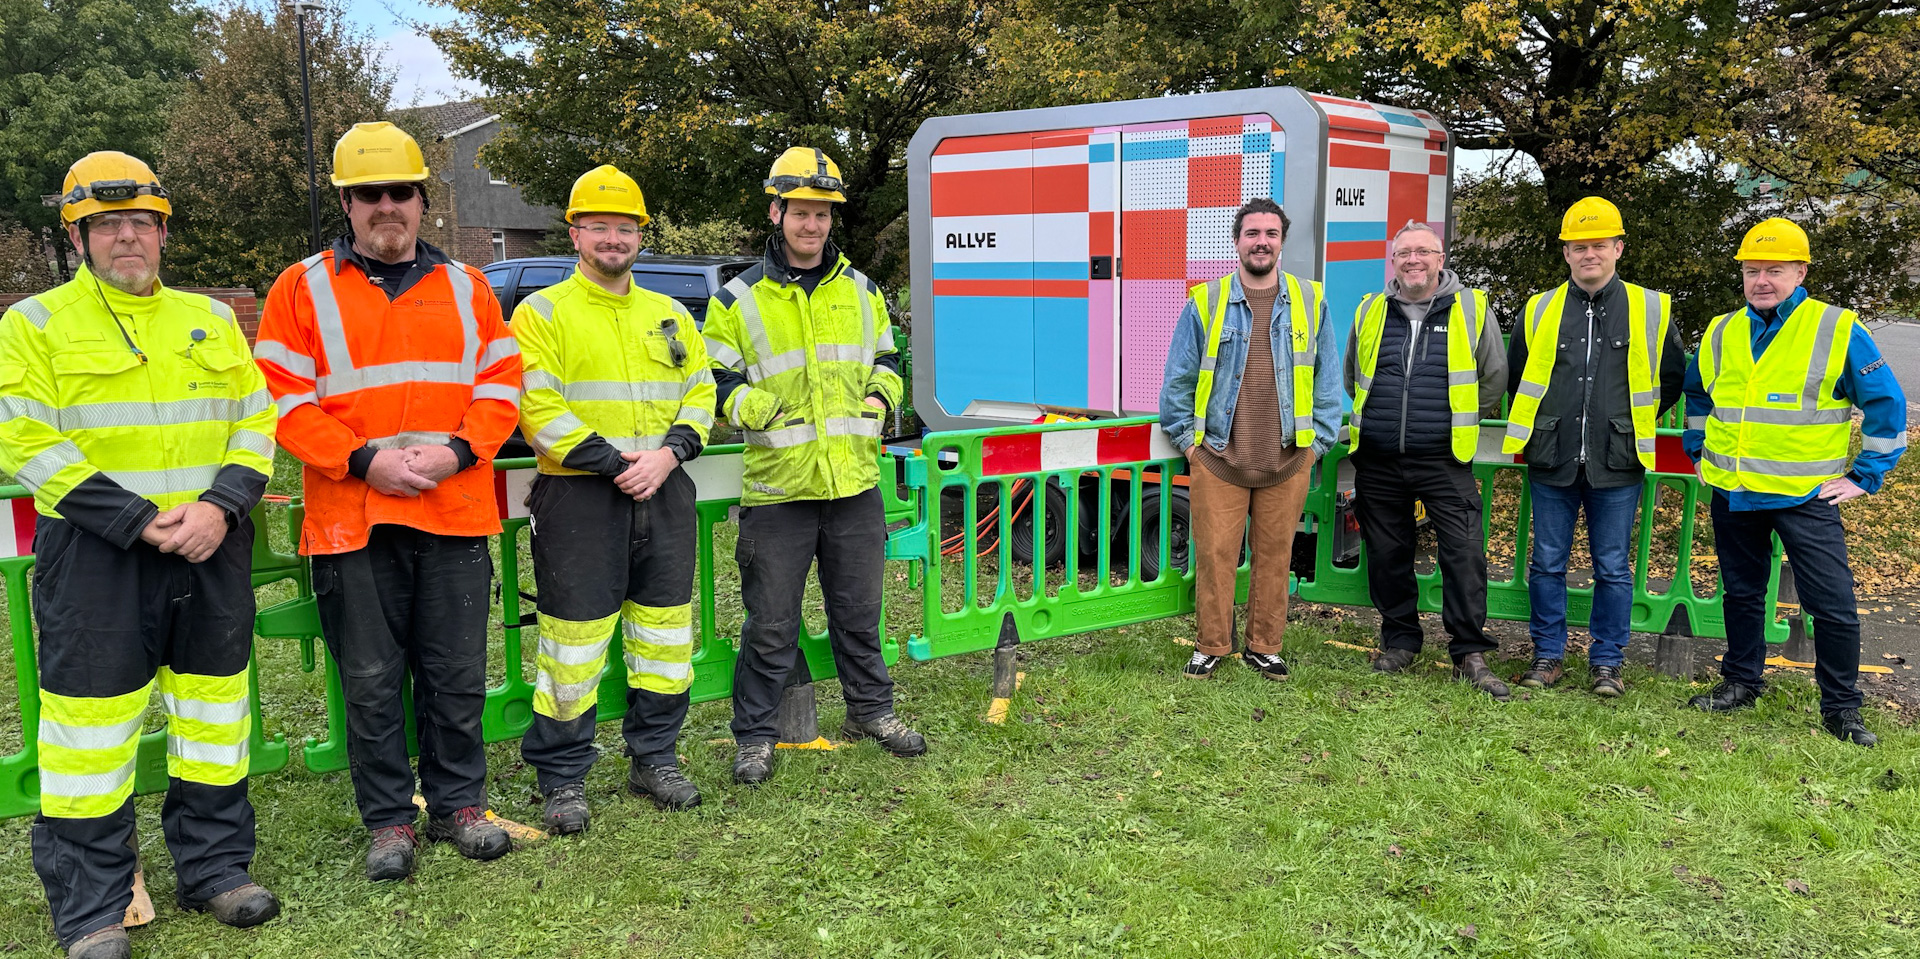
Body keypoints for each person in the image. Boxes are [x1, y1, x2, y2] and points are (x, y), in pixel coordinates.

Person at [0, 152, 279, 959]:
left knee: (215, 717)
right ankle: (92, 908)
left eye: (140, 223)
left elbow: (255, 420)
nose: (127, 237)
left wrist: (220, 506)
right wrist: (136, 519)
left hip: (210, 547)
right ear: (78, 237)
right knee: (88, 737)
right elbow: (26, 438)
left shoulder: (210, 319)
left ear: (162, 232)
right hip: (99, 556)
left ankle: (216, 869)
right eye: (107, 225)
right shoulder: (33, 324)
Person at [255, 121, 523, 878]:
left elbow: (502, 385)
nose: (386, 206)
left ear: (421, 200)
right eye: (368, 193)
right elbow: (281, 399)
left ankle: (459, 804)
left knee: (455, 673)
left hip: (452, 509)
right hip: (354, 518)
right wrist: (363, 460)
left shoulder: (469, 288)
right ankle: (388, 821)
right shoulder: (300, 288)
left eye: (399, 191)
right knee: (371, 682)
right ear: (345, 202)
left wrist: (457, 451)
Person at [704, 146, 925, 786]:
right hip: (779, 490)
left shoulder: (862, 290)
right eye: (801, 211)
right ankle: (755, 736)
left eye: (823, 213)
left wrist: (881, 396)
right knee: (771, 625)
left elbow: (887, 359)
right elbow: (712, 377)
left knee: (859, 613)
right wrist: (753, 406)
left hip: (853, 483)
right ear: (776, 213)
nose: (812, 224)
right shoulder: (737, 298)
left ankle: (871, 712)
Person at [513, 165, 715, 826]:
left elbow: (701, 391)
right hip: (579, 496)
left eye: (624, 228)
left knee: (664, 637)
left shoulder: (669, 314)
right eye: (598, 226)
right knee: (572, 644)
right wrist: (614, 464)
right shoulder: (541, 313)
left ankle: (655, 758)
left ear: (640, 236)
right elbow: (537, 406)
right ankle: (562, 777)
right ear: (575, 233)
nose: (612, 239)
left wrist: (668, 454)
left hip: (663, 489)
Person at [1682, 217, 1907, 746]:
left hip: (1806, 495)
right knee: (1741, 594)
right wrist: (1698, 450)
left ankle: (1842, 708)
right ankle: (1741, 683)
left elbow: (1886, 405)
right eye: (1752, 270)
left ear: (1800, 272)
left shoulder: (1836, 328)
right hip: (1735, 489)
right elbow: (1698, 396)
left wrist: (1865, 477)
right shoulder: (1721, 330)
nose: (1762, 280)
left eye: (1775, 270)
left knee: (1832, 605)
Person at [1504, 197, 1685, 696]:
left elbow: (1671, 378)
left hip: (1618, 460)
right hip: (1552, 457)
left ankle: (1607, 662)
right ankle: (1548, 655)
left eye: (1599, 245)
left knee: (1612, 567)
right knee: (1547, 563)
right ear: (1566, 253)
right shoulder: (1539, 308)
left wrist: (1625, 423)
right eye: (1579, 246)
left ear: (1618, 248)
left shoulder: (1651, 308)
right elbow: (1519, 374)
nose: (1589, 254)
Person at [1159, 198, 1340, 681]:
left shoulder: (1311, 301)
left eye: (1271, 234)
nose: (1262, 242)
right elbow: (1177, 383)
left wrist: (1315, 447)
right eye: (1252, 233)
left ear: (1282, 241)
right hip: (1219, 457)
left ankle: (1265, 646)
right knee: (1215, 557)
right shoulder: (1206, 300)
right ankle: (1212, 645)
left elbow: (1327, 382)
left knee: (1275, 558)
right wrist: (1191, 447)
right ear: (1237, 241)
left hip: (1288, 458)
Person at [1344, 222, 1510, 699]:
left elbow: (1494, 377)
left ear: (1441, 259)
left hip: (1444, 458)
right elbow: (1353, 373)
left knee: (1464, 554)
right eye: (1404, 253)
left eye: (1423, 252)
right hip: (1378, 458)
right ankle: (1400, 641)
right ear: (1393, 261)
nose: (1413, 260)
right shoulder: (1371, 309)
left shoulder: (1471, 308)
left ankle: (1469, 653)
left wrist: (1454, 420)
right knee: (1387, 555)